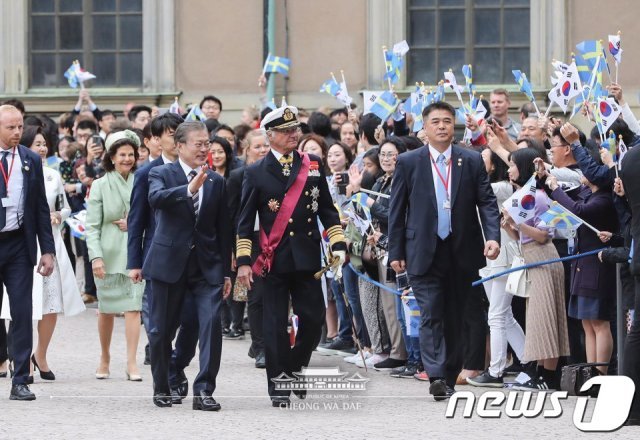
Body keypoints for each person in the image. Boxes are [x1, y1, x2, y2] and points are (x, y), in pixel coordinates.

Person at [235, 105, 347, 408]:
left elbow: (326, 208)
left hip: (307, 256)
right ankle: (278, 386)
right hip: (272, 258)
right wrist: (244, 261)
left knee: (312, 318)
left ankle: (296, 365)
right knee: (273, 326)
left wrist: (338, 243)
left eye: (295, 129)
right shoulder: (255, 172)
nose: (292, 135)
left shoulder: (312, 164)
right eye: (285, 131)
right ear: (270, 136)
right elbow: (244, 222)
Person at [388, 102, 501, 400]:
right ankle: (436, 375)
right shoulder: (409, 162)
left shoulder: (471, 160)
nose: (441, 126)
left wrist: (493, 236)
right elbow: (396, 210)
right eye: (435, 121)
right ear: (424, 128)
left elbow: (487, 202)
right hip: (422, 249)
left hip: (461, 248)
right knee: (431, 312)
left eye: (447, 121)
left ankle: (449, 374)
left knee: (456, 315)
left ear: (455, 126)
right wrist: (396, 251)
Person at [145, 120, 232, 410]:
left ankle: (204, 390)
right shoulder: (160, 173)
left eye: (207, 143)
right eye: (199, 144)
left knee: (210, 328)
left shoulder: (217, 181)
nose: (205, 149)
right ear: (179, 146)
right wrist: (188, 189)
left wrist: (226, 272)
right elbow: (155, 200)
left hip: (206, 267)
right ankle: (162, 386)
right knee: (160, 331)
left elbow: (223, 230)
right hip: (168, 265)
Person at [1, 126, 85, 382]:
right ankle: (10, 358)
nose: (42, 148)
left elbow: (57, 206)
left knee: (37, 305)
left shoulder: (43, 170)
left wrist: (56, 220)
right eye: (37, 143)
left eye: (44, 143)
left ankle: (32, 363)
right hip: (11, 239)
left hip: (36, 241)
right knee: (14, 307)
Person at [501, 148, 570, 390]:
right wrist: (510, 224)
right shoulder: (521, 197)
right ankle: (540, 372)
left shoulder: (539, 197)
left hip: (544, 259)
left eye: (512, 164)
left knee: (546, 319)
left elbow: (542, 236)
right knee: (537, 320)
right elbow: (519, 236)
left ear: (523, 167)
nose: (509, 169)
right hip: (531, 259)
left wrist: (518, 223)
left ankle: (547, 377)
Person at [0, 105, 55, 401]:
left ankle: (20, 378)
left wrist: (47, 250)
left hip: (19, 244)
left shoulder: (30, 160)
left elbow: (41, 208)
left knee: (22, 311)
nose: (17, 133)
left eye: (20, 127)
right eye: (10, 128)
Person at [86, 130, 144, 382]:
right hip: (108, 251)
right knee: (106, 309)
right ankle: (105, 356)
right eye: (122, 154)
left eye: (131, 154)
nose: (127, 159)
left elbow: (150, 215)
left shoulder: (142, 180)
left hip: (135, 251)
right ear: (111, 157)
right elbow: (92, 226)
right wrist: (95, 257)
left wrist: (133, 222)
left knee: (134, 307)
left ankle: (132, 361)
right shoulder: (99, 185)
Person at [127, 113, 183, 368]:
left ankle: (164, 346)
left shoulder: (196, 170)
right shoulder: (146, 173)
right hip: (156, 253)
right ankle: (159, 347)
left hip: (188, 253)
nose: (177, 139)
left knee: (181, 313)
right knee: (156, 309)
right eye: (172, 135)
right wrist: (134, 262)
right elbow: (137, 221)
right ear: (157, 140)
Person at [467, 149, 525, 387]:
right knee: (504, 315)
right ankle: (528, 361)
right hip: (491, 256)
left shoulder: (502, 187)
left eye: (483, 159)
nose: (477, 161)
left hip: (504, 255)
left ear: (493, 166)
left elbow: (466, 190)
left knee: (497, 315)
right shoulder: (491, 186)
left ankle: (496, 371)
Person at [227, 129, 270, 368]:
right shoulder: (237, 176)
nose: (263, 150)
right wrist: (235, 249)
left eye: (266, 146)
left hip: (273, 240)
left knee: (274, 294)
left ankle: (263, 343)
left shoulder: (278, 173)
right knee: (256, 295)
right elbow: (231, 215)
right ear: (247, 150)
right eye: (258, 146)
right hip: (249, 241)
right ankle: (260, 346)